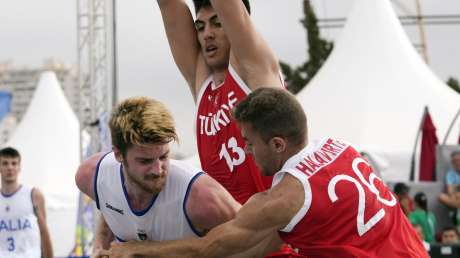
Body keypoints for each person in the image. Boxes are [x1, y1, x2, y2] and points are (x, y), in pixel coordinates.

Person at [102, 88, 428, 258]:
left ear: (276, 144)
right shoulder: (339, 147)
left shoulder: (285, 196)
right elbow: (265, 245)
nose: (246, 152)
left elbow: (209, 248)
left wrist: (138, 249)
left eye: (249, 143)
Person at [75, 97, 241, 257]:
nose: (158, 170)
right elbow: (110, 202)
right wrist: (100, 245)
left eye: (164, 157)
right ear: (118, 154)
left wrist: (146, 250)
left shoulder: (202, 196)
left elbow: (252, 237)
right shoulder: (90, 176)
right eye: (145, 161)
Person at [156, 0, 284, 205]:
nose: (207, 34)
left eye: (217, 23)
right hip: (232, 224)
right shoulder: (202, 81)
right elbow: (168, 5)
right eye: (200, 27)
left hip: (277, 224)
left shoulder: (253, 66)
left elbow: (231, 9)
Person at [0, 147, 53, 258]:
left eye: (14, 163)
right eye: (5, 163)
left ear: (19, 168)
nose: (10, 167)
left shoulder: (34, 195)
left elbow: (44, 232)